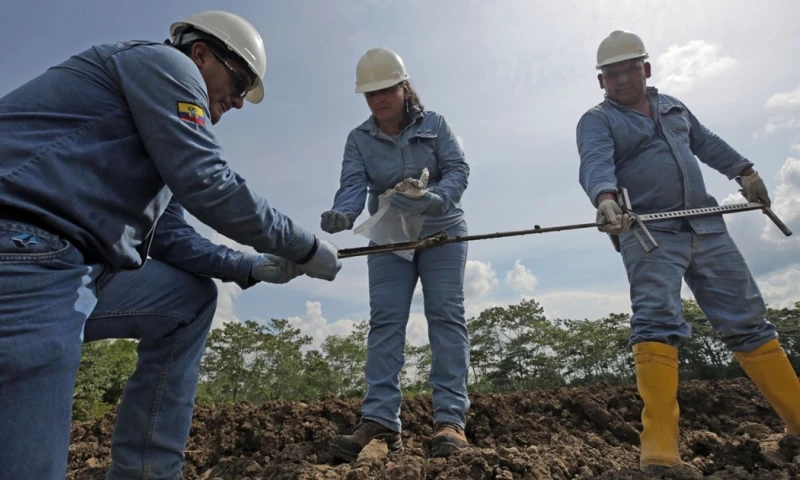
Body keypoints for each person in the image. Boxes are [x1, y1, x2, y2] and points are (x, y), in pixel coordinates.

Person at [0, 10, 341, 480]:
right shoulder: (165, 64)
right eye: (239, 83)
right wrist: (304, 245)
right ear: (200, 54)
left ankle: (148, 473)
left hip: (71, 266)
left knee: (188, 299)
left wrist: (252, 266)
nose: (239, 102)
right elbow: (209, 182)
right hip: (21, 250)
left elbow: (170, 235)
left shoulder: (154, 132)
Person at [576, 30, 800, 475]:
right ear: (602, 82)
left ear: (647, 69)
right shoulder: (597, 120)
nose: (622, 79)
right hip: (649, 232)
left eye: (629, 69)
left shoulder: (674, 107)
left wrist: (745, 170)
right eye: (612, 73)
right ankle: (659, 450)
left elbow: (707, 142)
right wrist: (605, 198)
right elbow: (594, 161)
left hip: (706, 225)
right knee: (656, 321)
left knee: (749, 321)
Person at [320, 47, 471, 461]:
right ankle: (381, 420)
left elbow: (458, 169)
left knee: (445, 315)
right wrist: (344, 212)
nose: (378, 100)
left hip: (442, 231)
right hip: (389, 237)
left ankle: (450, 421)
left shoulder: (436, 124)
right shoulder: (358, 139)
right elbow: (352, 184)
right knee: (385, 321)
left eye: (386, 90)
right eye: (370, 94)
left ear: (404, 88)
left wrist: (438, 198)